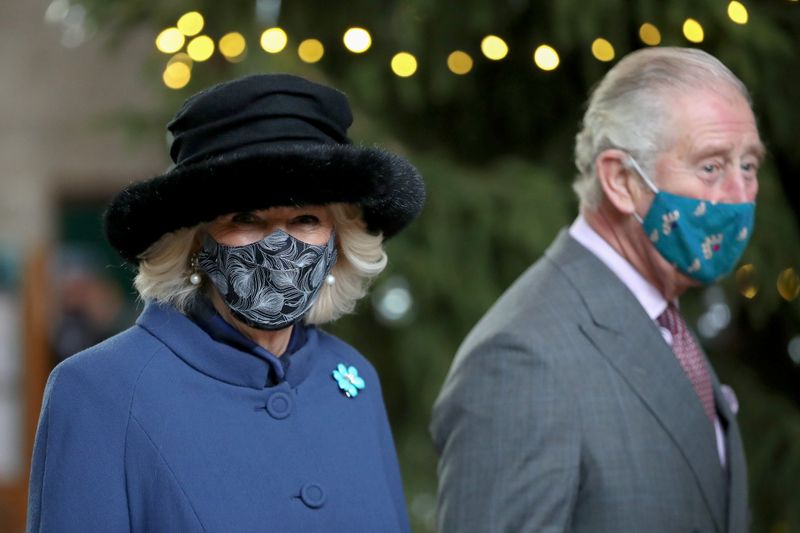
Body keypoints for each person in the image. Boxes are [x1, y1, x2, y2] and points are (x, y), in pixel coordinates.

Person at [27, 73, 425, 532]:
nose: (280, 245)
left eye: (306, 218)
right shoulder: (100, 392)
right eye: (247, 218)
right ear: (194, 242)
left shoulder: (354, 382)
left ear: (339, 239)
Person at [431, 47, 761, 533]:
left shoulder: (664, 323)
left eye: (749, 166)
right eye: (711, 166)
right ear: (621, 180)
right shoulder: (522, 358)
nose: (739, 195)